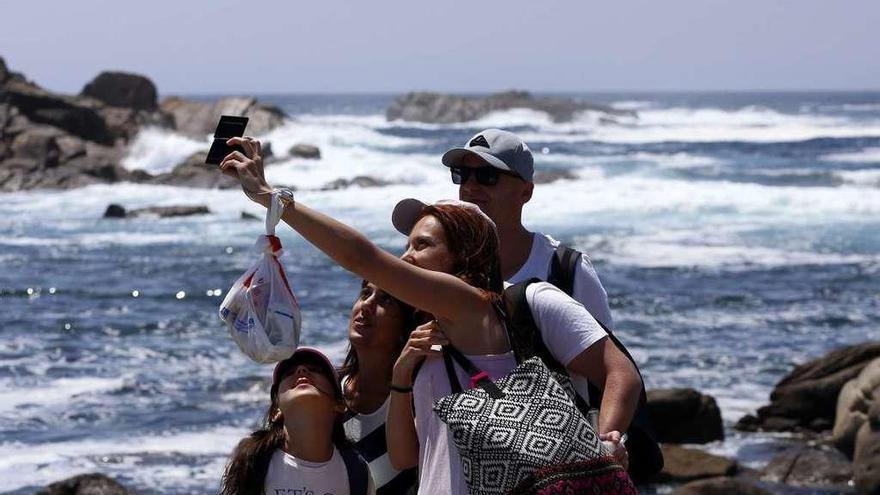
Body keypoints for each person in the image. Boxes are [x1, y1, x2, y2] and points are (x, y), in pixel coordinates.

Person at [218, 136, 642, 494]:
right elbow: (408, 455)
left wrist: (275, 201)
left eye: (422, 246)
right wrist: (403, 377)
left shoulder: (472, 304)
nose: (407, 256)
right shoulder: (432, 335)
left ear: (463, 255)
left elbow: (362, 258)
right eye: (407, 246)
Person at [441, 128, 614, 329]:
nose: (469, 187)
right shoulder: (444, 261)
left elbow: (605, 357)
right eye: (462, 174)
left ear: (525, 192)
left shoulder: (565, 270)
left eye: (487, 175)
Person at [220, 347, 375, 495]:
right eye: (289, 373)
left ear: (339, 404)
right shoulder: (254, 462)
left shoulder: (355, 471)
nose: (301, 370)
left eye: (315, 370)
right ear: (276, 411)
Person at [339, 281, 419, 495]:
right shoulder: (329, 392)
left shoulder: (415, 400)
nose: (366, 305)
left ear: (404, 328)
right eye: (365, 293)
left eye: (386, 299)